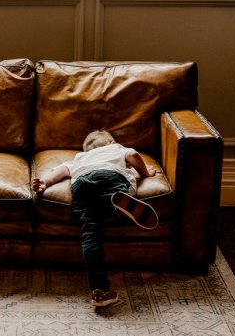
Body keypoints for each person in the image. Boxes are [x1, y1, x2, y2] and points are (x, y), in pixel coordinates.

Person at [32, 130, 158, 307]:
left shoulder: (79, 158)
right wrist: (146, 173)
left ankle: (101, 290)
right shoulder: (116, 149)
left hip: (82, 185)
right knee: (115, 206)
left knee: (91, 232)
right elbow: (133, 155)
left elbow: (61, 171)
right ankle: (121, 209)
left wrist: (45, 182)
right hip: (110, 177)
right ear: (111, 142)